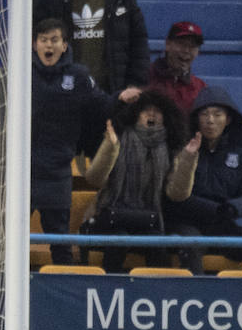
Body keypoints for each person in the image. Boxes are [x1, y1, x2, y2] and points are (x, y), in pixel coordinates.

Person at [83, 88, 201, 273]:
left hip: (148, 219)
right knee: (119, 240)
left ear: (166, 117)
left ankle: (159, 289)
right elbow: (94, 179)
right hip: (110, 216)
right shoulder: (118, 136)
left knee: (157, 244)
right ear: (136, 114)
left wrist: (188, 158)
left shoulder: (170, 147)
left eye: (157, 111)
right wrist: (110, 146)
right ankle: (110, 287)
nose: (151, 114)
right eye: (146, 110)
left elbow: (177, 194)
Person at [28, 19, 114, 264]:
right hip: (22, 173)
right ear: (34, 45)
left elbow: (104, 105)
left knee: (61, 243)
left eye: (54, 40)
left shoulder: (78, 76)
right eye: (44, 40)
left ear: (64, 45)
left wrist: (122, 99)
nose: (49, 45)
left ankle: (63, 285)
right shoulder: (20, 71)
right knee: (9, 241)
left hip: (57, 173)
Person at [166, 85, 242, 275]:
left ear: (228, 119)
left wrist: (232, 208)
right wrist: (214, 209)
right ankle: (194, 294)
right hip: (186, 224)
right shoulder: (183, 150)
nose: (210, 120)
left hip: (223, 225)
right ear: (196, 119)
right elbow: (175, 197)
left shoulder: (241, 156)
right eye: (204, 114)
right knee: (191, 245)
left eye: (217, 114)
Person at [148, 21, 207, 116]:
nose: (186, 50)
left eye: (193, 46)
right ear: (167, 44)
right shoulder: (143, 76)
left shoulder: (200, 88)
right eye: (182, 44)